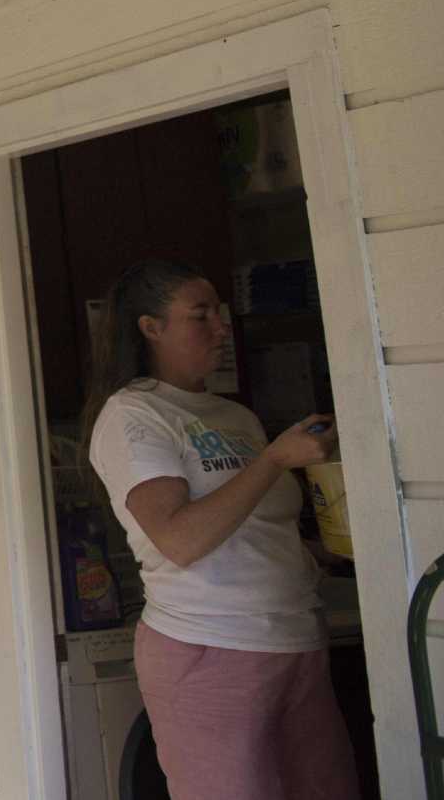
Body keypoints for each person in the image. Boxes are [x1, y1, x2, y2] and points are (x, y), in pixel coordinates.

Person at [84, 259, 356, 800]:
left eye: (221, 312)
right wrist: (275, 460)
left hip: (295, 638)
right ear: (151, 327)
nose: (221, 327)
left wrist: (325, 550)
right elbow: (180, 540)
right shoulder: (134, 414)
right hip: (209, 645)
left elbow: (252, 531)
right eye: (200, 314)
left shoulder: (235, 417)